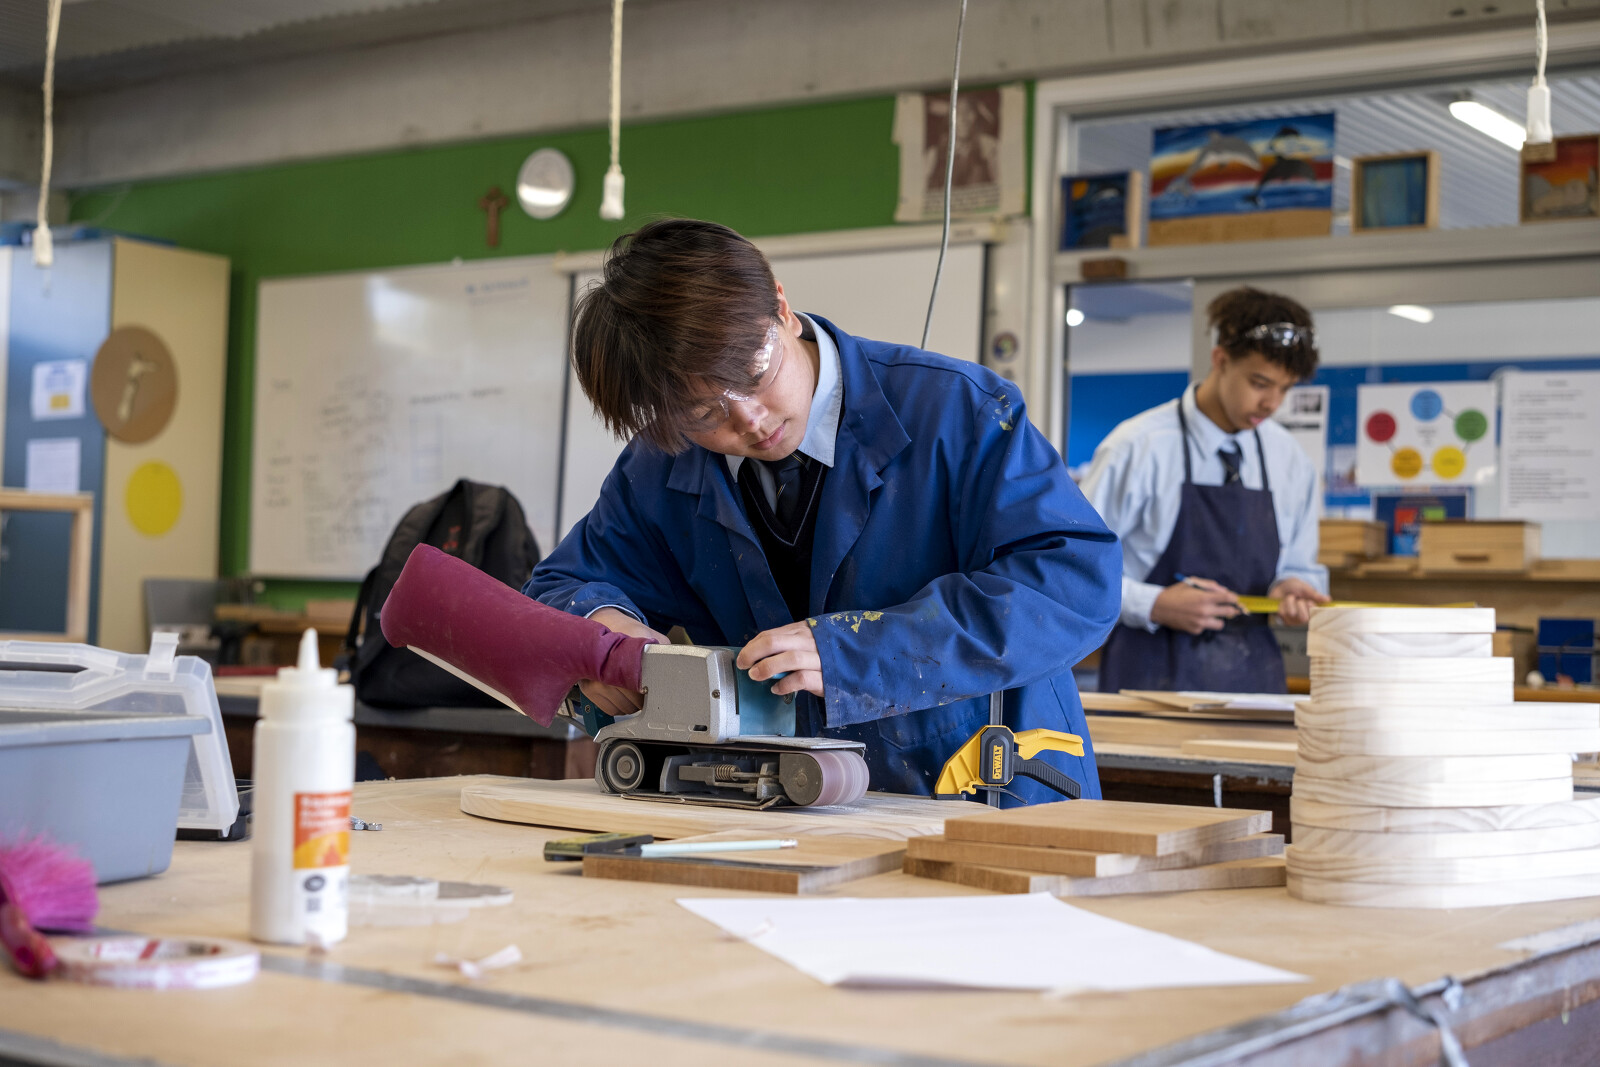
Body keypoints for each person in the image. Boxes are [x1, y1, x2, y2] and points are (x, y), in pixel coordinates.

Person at [524, 219, 1121, 803]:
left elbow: (1075, 585)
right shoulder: (661, 464)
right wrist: (598, 636)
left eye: (757, 373)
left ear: (781, 307)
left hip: (988, 792)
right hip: (785, 805)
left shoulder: (957, 411)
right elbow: (562, 586)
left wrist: (856, 654)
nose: (750, 419)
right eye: (704, 414)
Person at [1079, 286, 1328, 694]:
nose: (1272, 403)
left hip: (1253, 683)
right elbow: (1073, 569)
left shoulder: (1290, 460)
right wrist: (1153, 604)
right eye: (1260, 383)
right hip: (1147, 684)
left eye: (1285, 388)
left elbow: (1300, 565)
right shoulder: (1138, 447)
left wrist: (1292, 588)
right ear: (1220, 360)